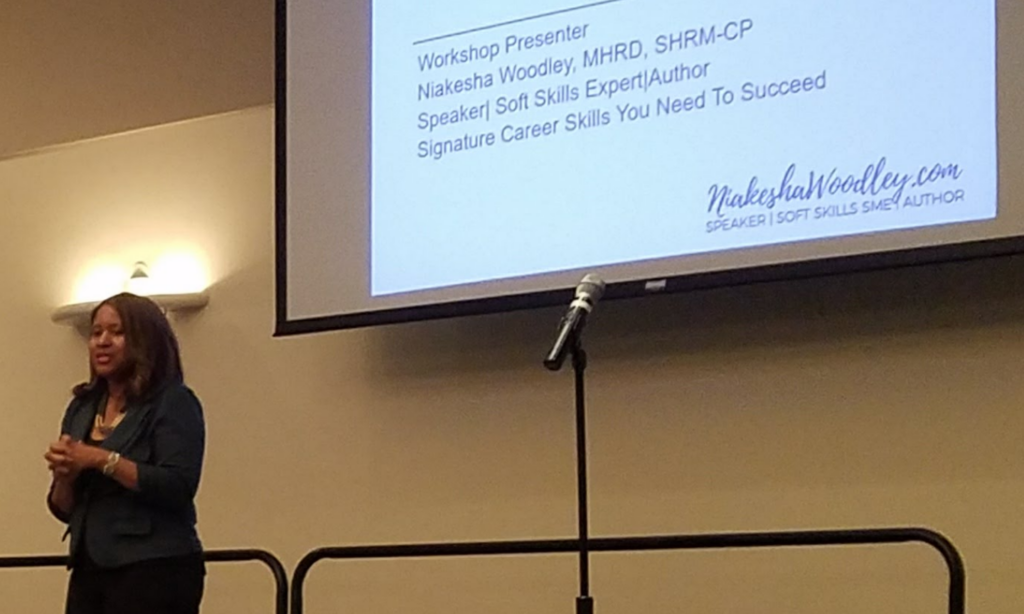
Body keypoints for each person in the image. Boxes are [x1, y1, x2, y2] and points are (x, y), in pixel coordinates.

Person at [44, 292, 206, 614]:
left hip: (155, 566)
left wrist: (100, 459)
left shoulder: (172, 401)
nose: (102, 342)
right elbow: (63, 508)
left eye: (117, 332)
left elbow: (178, 486)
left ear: (146, 340)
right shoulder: (82, 407)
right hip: (89, 567)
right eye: (96, 333)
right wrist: (65, 476)